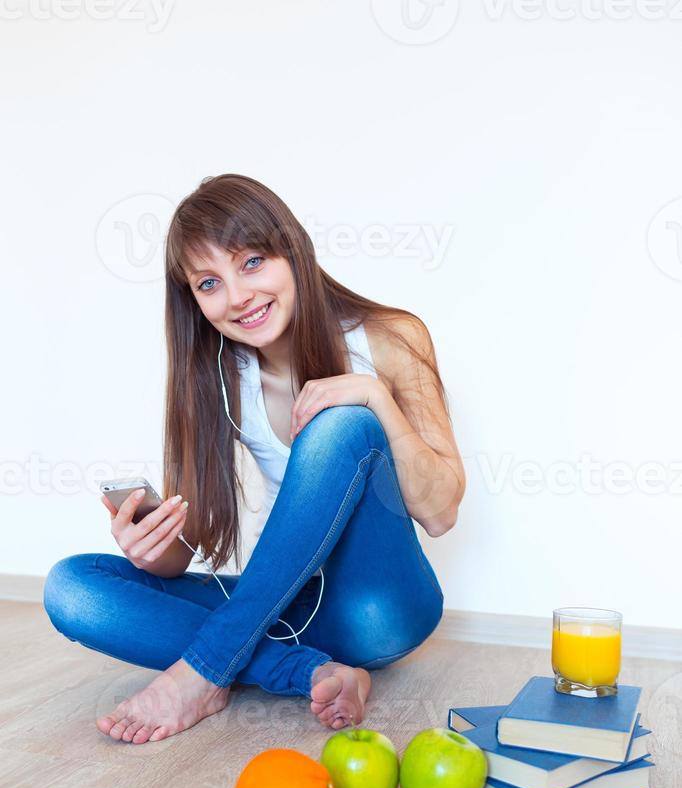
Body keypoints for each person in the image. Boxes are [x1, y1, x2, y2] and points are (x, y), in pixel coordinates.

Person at [43, 174, 465, 745]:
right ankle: (306, 672)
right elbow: (187, 550)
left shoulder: (389, 336)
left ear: (291, 252)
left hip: (380, 608)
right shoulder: (217, 376)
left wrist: (374, 399)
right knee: (72, 586)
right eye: (210, 282)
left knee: (342, 422)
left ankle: (204, 672)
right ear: (192, 298)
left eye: (252, 262)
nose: (238, 297)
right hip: (292, 609)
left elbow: (440, 514)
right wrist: (152, 551)